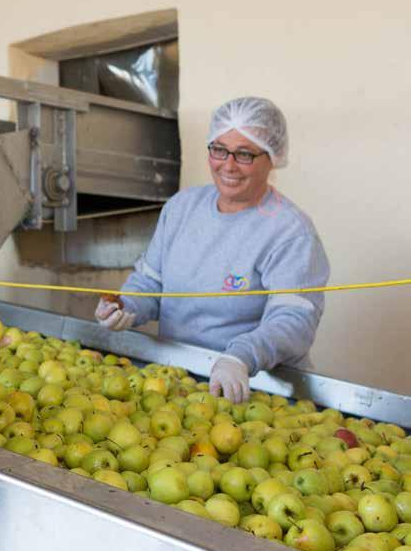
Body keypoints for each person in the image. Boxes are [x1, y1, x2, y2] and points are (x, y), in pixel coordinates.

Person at [95, 97, 329, 404]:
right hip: (176, 380)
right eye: (219, 149)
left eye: (244, 154)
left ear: (271, 157)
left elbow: (294, 321)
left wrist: (241, 357)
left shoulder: (290, 231)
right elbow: (150, 282)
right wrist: (126, 307)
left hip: (255, 390)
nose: (228, 165)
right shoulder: (182, 207)